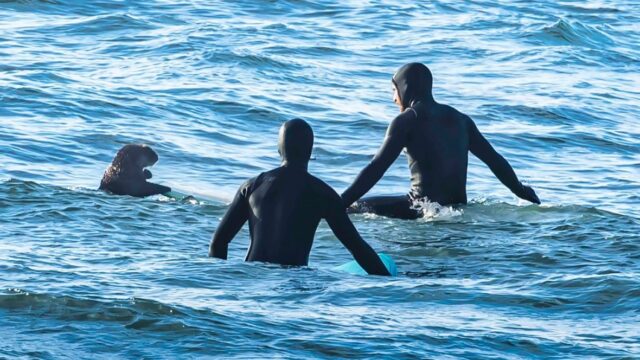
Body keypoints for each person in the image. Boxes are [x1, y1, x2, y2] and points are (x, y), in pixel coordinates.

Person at [341, 62, 540, 219]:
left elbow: (376, 168)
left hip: (423, 207)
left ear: (405, 87)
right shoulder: (461, 120)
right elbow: (494, 161)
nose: (393, 98)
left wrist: (340, 202)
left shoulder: (406, 121)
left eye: (394, 90)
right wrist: (521, 190)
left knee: (356, 208)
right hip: (457, 207)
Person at [209, 119, 390, 276]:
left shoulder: (252, 186)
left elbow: (218, 242)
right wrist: (389, 281)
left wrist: (222, 282)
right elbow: (358, 248)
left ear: (279, 150)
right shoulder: (323, 194)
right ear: (310, 153)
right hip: (294, 281)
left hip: (253, 277)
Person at [99, 144, 171, 197]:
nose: (144, 167)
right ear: (143, 159)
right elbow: (140, 188)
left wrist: (143, 175)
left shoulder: (125, 157)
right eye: (145, 165)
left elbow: (125, 176)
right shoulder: (132, 162)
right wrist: (164, 189)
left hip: (105, 189)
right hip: (119, 192)